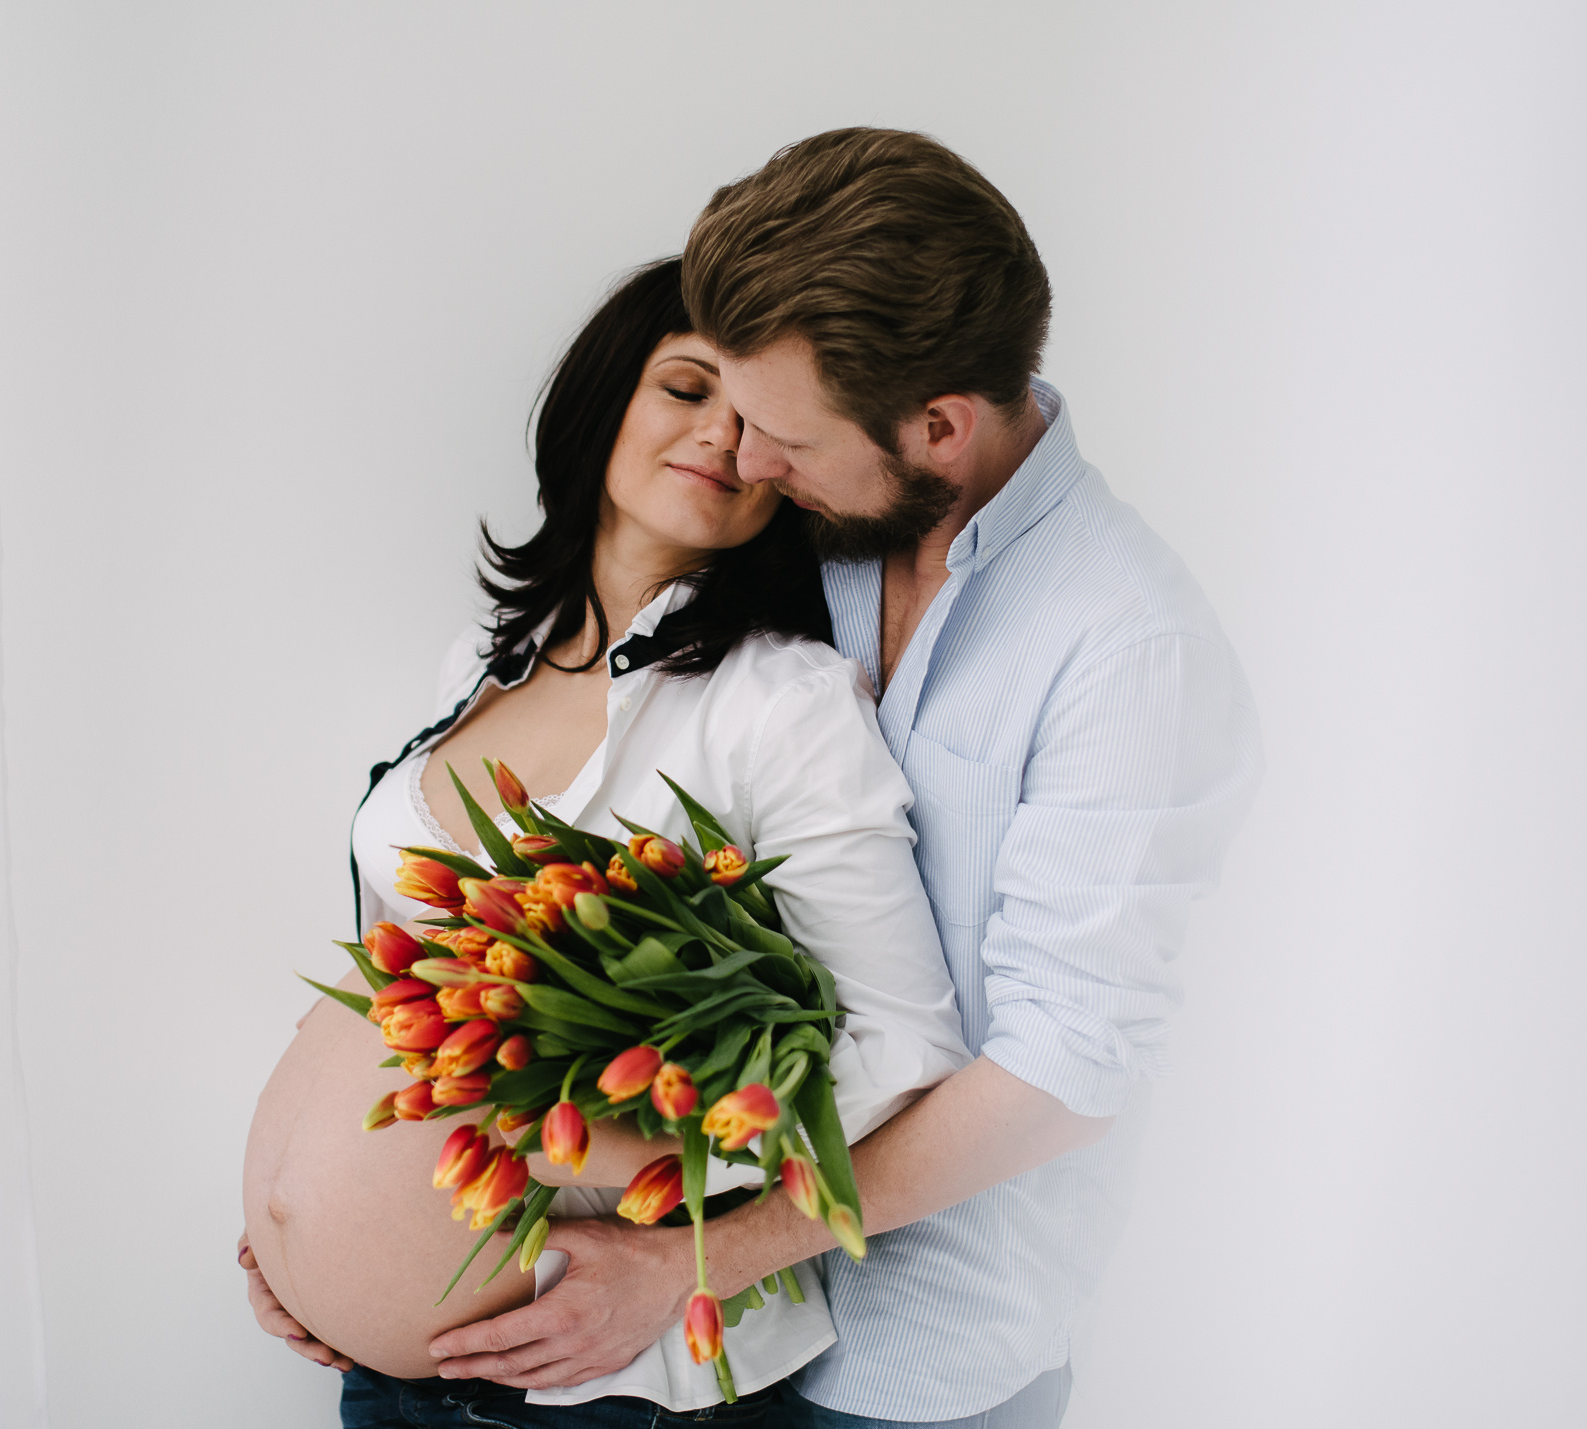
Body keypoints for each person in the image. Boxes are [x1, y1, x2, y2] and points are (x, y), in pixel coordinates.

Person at [425, 130, 1263, 1429]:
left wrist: (696, 1257)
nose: (746, 463)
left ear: (940, 427)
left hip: (913, 1358)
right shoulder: (834, 527)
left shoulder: (1125, 646)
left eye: (783, 437)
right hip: (704, 1341)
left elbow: (1061, 1072)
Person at [239, 256, 974, 1424]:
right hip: (385, 1378)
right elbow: (407, 976)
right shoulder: (486, 660)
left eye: (759, 421)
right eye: (686, 388)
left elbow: (903, 1046)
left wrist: (641, 1168)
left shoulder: (777, 704)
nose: (721, 435)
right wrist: (294, 1231)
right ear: (601, 401)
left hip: (596, 1385)